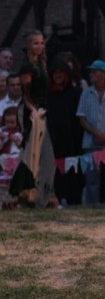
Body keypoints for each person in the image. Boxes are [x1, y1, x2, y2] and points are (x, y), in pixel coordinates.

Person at [9, 29, 56, 208]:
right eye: (36, 43)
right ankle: (22, 196)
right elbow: (26, 95)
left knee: (45, 157)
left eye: (41, 43)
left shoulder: (41, 63)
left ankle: (38, 198)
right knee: (31, 154)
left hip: (42, 112)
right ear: (29, 45)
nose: (39, 46)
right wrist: (33, 112)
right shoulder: (27, 66)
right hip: (32, 114)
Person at [77, 59, 105, 204]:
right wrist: (96, 133)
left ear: (103, 74)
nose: (91, 75)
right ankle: (92, 205)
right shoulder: (86, 93)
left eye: (94, 72)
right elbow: (82, 118)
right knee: (92, 178)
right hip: (92, 141)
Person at [47, 57, 84, 205]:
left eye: (61, 72)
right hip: (53, 141)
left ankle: (74, 199)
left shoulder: (74, 93)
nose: (58, 75)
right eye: (55, 73)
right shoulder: (48, 95)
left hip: (72, 141)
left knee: (72, 170)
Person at [0, 106, 23, 204]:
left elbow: (21, 144)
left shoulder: (20, 131)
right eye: (7, 122)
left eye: (12, 122)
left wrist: (16, 139)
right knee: (3, 180)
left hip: (15, 158)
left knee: (14, 179)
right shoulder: (2, 130)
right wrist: (2, 140)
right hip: (3, 159)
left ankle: (14, 200)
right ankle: (3, 200)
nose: (9, 125)